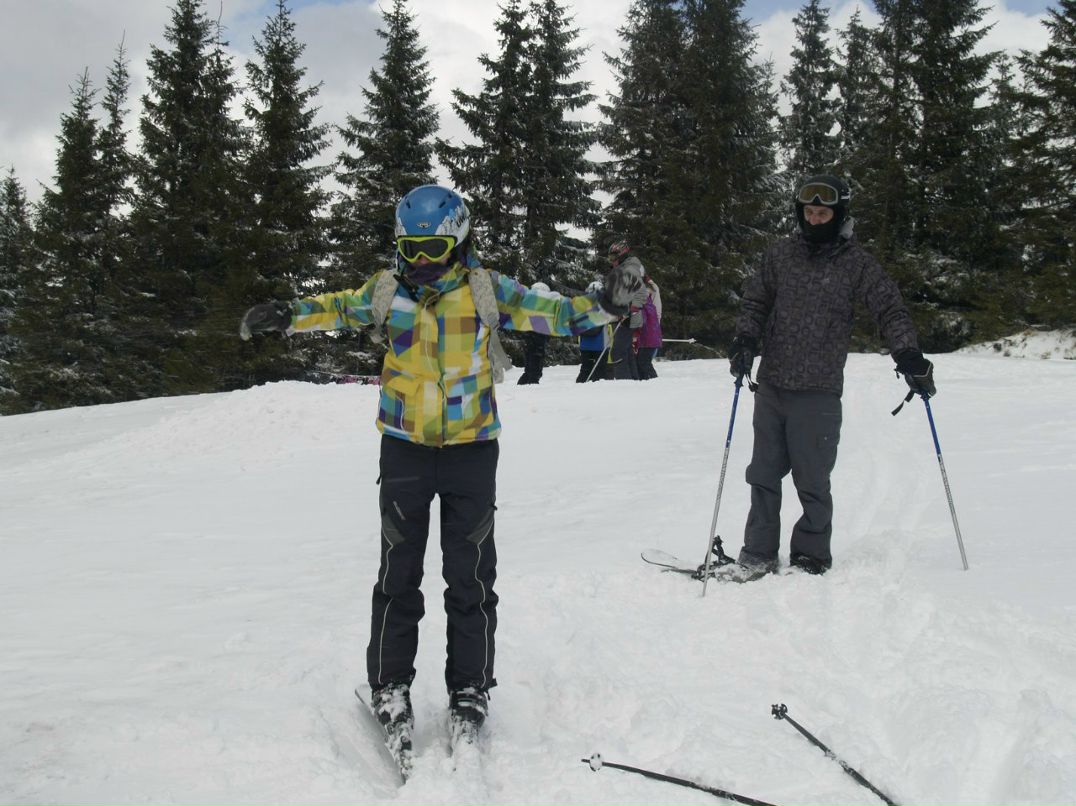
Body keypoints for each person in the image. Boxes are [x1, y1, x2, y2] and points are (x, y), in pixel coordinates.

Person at [239, 185, 641, 747]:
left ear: (458, 243)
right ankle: (389, 685)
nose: (422, 262)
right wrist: (288, 315)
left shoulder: (485, 291)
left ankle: (470, 687)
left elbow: (557, 315)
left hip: (471, 452)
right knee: (397, 574)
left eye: (434, 249)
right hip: (404, 449)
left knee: (470, 576)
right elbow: (337, 306)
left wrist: (609, 304)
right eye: (412, 249)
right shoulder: (387, 291)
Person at [725, 174, 936, 579]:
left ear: (838, 215)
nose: (815, 219)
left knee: (812, 479)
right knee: (763, 474)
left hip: (819, 389)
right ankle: (758, 552)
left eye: (823, 213)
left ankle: (811, 555)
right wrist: (745, 339)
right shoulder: (780, 255)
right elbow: (755, 302)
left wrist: (908, 353)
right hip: (773, 384)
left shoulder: (856, 263)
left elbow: (889, 309)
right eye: (809, 212)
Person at [606, 242, 647, 380]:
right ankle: (633, 382)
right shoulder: (623, 269)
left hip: (628, 318)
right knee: (627, 351)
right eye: (610, 258)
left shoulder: (630, 269)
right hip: (623, 316)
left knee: (617, 352)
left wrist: (631, 309)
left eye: (613, 257)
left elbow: (641, 292)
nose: (612, 261)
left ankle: (624, 383)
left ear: (622, 255)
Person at [517, 282, 552, 385]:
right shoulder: (537, 308)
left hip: (533, 340)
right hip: (536, 341)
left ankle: (523, 386)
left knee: (530, 370)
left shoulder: (530, 306)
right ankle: (531, 386)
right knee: (534, 370)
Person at [577, 281, 612, 382]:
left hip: (585, 345)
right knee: (600, 371)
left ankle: (579, 387)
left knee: (585, 370)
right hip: (601, 344)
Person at [634, 273, 662, 380]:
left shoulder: (642, 301)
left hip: (647, 337)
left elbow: (642, 320)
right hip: (650, 336)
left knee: (643, 362)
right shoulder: (647, 299)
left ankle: (653, 381)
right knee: (641, 362)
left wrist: (634, 331)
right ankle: (644, 382)